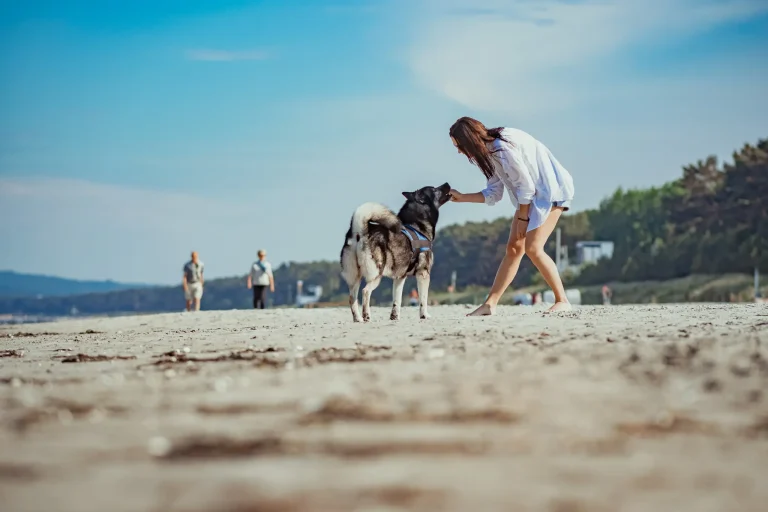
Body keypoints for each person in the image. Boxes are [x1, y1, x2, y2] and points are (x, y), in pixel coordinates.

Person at [447, 117, 575, 315]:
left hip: (551, 191)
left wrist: (523, 219)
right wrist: (462, 197)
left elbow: (526, 187)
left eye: (460, 146)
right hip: (533, 196)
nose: (459, 151)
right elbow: (494, 193)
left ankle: (562, 300)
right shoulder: (489, 152)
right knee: (514, 248)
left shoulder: (502, 148)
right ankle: (490, 304)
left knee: (533, 248)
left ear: (470, 140)